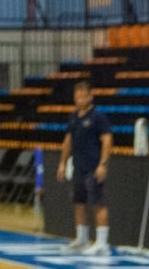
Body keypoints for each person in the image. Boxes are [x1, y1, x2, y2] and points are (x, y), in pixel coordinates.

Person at [58, 78, 113, 255]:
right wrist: (62, 163)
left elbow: (107, 140)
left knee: (98, 203)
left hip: (93, 167)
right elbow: (68, 141)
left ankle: (102, 243)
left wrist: (103, 164)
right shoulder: (73, 117)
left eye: (83, 96)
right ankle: (81, 238)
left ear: (91, 96)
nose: (80, 99)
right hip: (78, 167)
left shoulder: (98, 117)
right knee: (79, 203)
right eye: (77, 96)